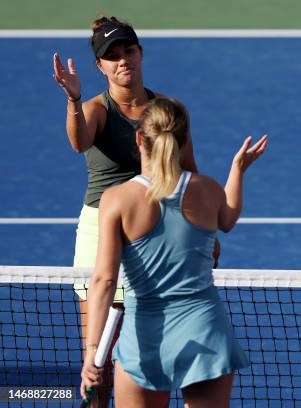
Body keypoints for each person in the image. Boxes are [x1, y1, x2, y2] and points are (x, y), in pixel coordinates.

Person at [53, 16, 210, 406]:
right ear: (100, 67)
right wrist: (73, 99)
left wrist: (206, 232)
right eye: (113, 56)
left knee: (147, 352)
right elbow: (79, 142)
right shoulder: (95, 109)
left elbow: (189, 174)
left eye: (128, 51)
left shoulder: (166, 112)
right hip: (100, 228)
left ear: (140, 53)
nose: (123, 61)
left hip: (154, 231)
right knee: (97, 360)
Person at [80, 97, 267, 407]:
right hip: (206, 336)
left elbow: (103, 281)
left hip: (143, 344)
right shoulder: (208, 190)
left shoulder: (116, 200)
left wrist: (93, 352)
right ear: (184, 141)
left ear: (139, 138)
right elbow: (228, 218)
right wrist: (238, 170)